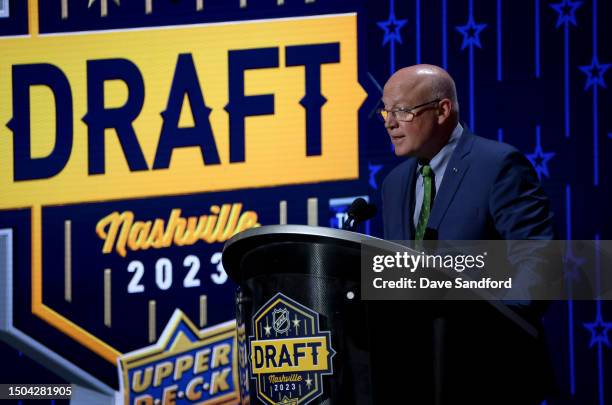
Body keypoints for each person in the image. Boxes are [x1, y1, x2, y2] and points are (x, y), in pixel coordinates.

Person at [372, 64, 557, 404]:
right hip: (417, 379)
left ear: (443, 110)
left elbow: (537, 259)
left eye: (402, 110)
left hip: (493, 375)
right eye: (385, 110)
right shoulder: (394, 184)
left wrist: (490, 320)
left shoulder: (498, 164)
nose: (389, 122)